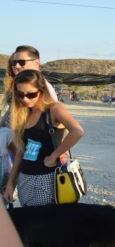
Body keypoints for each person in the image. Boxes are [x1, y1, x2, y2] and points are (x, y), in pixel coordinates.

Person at [3, 70, 84, 206]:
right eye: (20, 94)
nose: (25, 99)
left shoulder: (53, 109)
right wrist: (11, 183)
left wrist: (54, 156)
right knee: (30, 223)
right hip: (25, 179)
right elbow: (20, 152)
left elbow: (77, 131)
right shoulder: (23, 113)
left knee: (44, 224)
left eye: (31, 94)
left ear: (41, 90)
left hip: (47, 178)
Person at [1, 46, 58, 128]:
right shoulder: (18, 83)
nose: (16, 66)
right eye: (14, 63)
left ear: (36, 63)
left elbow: (52, 113)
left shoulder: (42, 85)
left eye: (22, 62)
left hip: (20, 135)